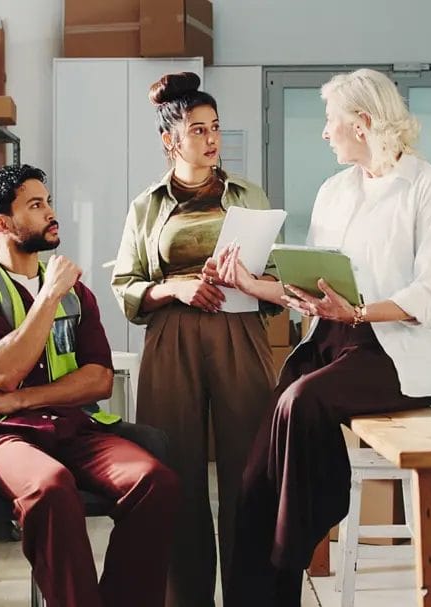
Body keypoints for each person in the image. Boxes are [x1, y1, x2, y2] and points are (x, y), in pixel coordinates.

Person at [214, 68, 431, 606]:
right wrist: (252, 283)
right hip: (329, 343)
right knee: (254, 480)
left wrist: (357, 313)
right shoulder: (334, 191)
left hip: (392, 352)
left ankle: (297, 544)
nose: (325, 133)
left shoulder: (428, 187)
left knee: (300, 401)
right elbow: (311, 284)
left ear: (363, 122)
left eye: (331, 122)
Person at [0, 164, 180, 607]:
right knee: (50, 488)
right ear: (3, 225)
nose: (51, 212)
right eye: (36, 204)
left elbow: (99, 379)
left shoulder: (76, 292)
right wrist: (46, 297)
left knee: (154, 482)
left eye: (48, 201)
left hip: (71, 427)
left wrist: (22, 398)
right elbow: (1, 371)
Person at [111, 72, 281, 607]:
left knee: (251, 473)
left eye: (216, 128)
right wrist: (174, 288)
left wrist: (252, 281)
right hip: (172, 342)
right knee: (174, 475)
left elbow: (278, 275)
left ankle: (252, 597)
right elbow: (125, 287)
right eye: (198, 129)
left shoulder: (248, 195)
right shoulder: (146, 205)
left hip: (241, 331)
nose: (211, 140)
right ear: (170, 140)